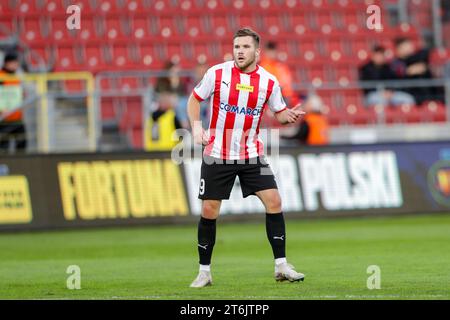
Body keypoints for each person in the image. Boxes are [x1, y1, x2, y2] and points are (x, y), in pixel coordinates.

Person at [187, 28, 306, 288]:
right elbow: (194, 100)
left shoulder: (269, 82)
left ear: (257, 52)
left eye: (245, 47)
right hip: (217, 154)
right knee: (209, 210)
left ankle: (281, 265)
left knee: (274, 201)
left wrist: (290, 116)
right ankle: (204, 272)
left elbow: (280, 113)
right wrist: (197, 127)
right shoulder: (216, 73)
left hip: (251, 153)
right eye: (237, 46)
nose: (240, 51)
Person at [390, 37, 442, 104]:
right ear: (399, 49)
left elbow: (426, 59)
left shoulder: (416, 57)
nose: (409, 47)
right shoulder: (396, 62)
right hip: (406, 93)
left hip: (425, 92)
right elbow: (404, 71)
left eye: (409, 45)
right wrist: (412, 69)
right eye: (406, 46)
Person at [0, 51, 26, 152]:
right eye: (14, 62)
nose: (16, 65)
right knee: (4, 146)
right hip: (4, 118)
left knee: (21, 143)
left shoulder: (16, 76)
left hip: (17, 117)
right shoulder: (1, 76)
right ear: (7, 63)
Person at [259, 41, 300, 106]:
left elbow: (287, 84)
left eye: (273, 51)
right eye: (270, 51)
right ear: (266, 52)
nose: (272, 53)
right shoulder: (262, 66)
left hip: (284, 96)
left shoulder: (281, 66)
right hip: (268, 96)